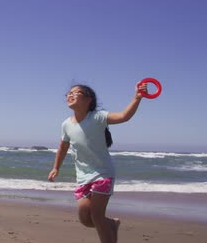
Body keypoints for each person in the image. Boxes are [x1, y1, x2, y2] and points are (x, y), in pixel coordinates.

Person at [48, 83, 147, 243]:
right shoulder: (66, 124)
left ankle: (107, 228)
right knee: (85, 218)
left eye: (76, 92)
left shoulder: (97, 117)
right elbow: (63, 147)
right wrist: (55, 167)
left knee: (96, 215)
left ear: (88, 100)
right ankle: (112, 224)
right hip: (82, 177)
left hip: (102, 173)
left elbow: (124, 116)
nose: (70, 95)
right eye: (68, 93)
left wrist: (137, 98)